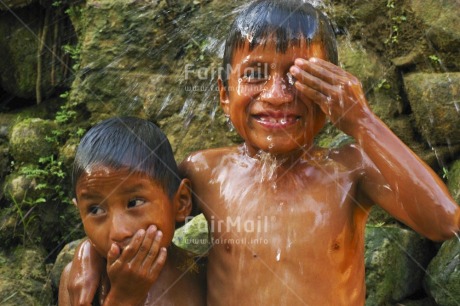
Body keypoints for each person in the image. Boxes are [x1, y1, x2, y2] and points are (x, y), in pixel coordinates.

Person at [66, 1, 460, 305]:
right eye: (254, 74)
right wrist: (90, 254)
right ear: (224, 94)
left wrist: (362, 121)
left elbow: (445, 222)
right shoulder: (207, 171)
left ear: (333, 91)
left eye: (299, 77)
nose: (276, 95)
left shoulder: (351, 169)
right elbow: (134, 209)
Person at [58, 117, 205, 305]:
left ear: (181, 202)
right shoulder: (80, 283)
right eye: (95, 209)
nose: (118, 231)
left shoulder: (201, 274)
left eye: (134, 202)